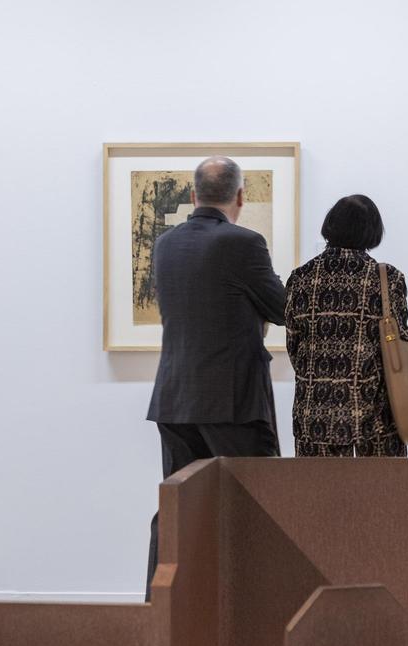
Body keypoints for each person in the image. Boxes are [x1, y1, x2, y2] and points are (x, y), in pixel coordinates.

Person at [144, 156, 286, 600]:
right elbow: (283, 309)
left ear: (193, 196)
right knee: (259, 511)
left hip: (175, 398)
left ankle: (162, 611)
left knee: (177, 514)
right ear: (240, 196)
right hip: (231, 402)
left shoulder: (165, 244)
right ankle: (259, 613)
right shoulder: (243, 243)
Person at [285, 194, 408, 458]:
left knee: (319, 496)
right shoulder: (387, 279)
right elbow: (401, 344)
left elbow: (294, 345)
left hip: (314, 414)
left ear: (330, 225)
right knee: (381, 495)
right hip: (375, 414)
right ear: (372, 231)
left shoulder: (301, 278)